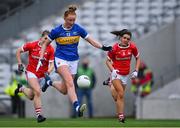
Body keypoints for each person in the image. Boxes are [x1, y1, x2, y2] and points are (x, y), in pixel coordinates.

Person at [38, 4, 112, 117]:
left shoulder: (78, 29)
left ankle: (49, 82)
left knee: (64, 90)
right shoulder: (56, 31)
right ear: (64, 18)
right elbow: (44, 44)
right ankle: (77, 107)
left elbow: (91, 41)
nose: (72, 22)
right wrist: (41, 57)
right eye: (69, 20)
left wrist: (103, 47)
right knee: (70, 83)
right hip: (60, 59)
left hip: (73, 61)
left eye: (73, 20)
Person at [14, 30, 54, 123]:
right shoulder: (32, 45)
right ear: (41, 37)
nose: (46, 41)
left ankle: (21, 89)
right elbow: (18, 51)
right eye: (45, 38)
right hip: (31, 72)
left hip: (42, 76)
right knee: (37, 91)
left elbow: (52, 64)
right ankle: (39, 115)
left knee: (32, 95)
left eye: (49, 39)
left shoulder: (50, 49)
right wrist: (19, 63)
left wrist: (48, 71)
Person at [104, 29, 141, 123]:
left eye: (128, 38)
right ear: (120, 38)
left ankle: (109, 83)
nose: (126, 40)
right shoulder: (115, 48)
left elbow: (137, 58)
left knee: (117, 97)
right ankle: (121, 116)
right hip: (116, 73)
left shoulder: (132, 47)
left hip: (125, 75)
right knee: (121, 94)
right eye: (124, 38)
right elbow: (107, 61)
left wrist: (136, 70)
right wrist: (113, 70)